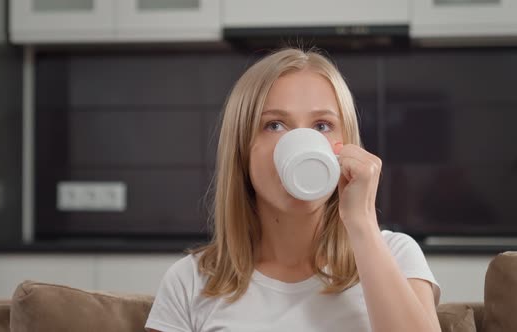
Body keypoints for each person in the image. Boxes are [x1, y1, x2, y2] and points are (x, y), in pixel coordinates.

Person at [145, 48, 441, 332]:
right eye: (274, 125)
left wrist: (362, 223)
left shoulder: (395, 256)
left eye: (322, 126)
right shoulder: (191, 281)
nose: (302, 143)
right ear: (242, 150)